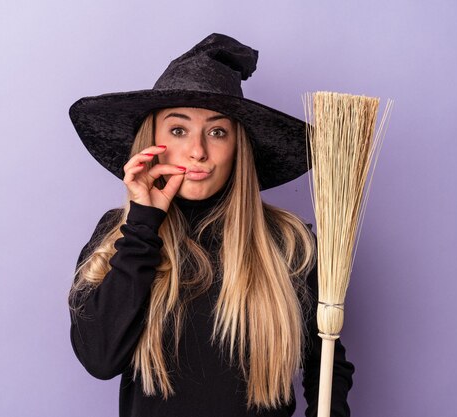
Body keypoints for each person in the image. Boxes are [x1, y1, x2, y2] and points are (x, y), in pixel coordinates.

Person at [67, 33, 355, 417]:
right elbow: (100, 359)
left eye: (217, 132)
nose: (198, 150)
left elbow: (326, 362)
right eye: (178, 130)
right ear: (151, 142)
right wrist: (143, 224)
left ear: (239, 146)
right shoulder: (120, 235)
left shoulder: (289, 244)